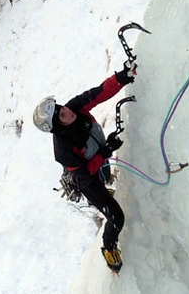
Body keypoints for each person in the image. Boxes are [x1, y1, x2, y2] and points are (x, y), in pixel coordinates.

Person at [33, 61, 137, 272]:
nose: (67, 112)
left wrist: (123, 76)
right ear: (56, 127)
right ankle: (108, 247)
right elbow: (84, 173)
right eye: (61, 115)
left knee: (105, 174)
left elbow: (99, 93)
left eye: (61, 108)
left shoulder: (74, 107)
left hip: (97, 157)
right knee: (117, 217)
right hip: (86, 178)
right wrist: (105, 151)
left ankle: (101, 194)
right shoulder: (63, 150)